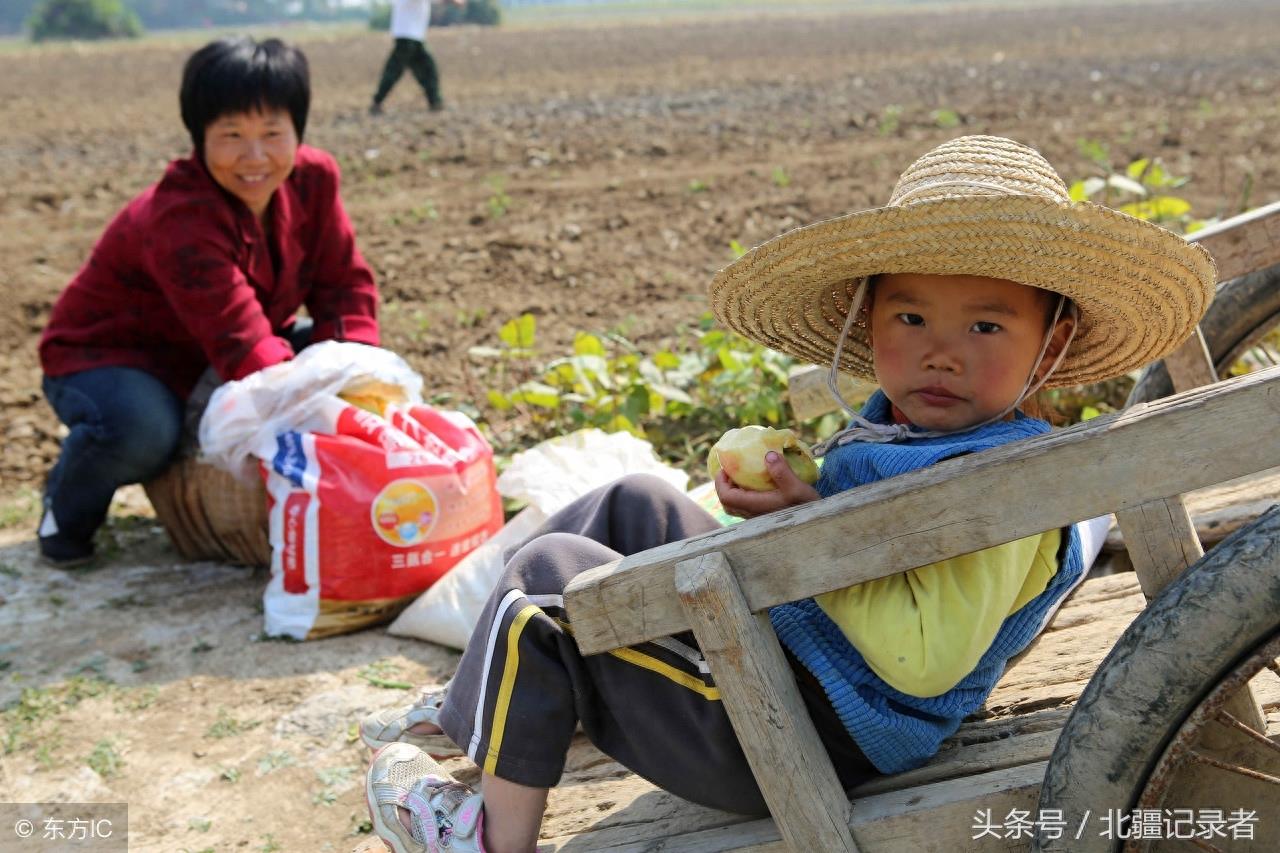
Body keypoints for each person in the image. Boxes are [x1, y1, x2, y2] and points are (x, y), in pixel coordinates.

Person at [359, 135, 1216, 853]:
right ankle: (491, 698)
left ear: (1053, 343)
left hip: (803, 731)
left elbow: (924, 657)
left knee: (547, 585)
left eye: (985, 325)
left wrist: (811, 530)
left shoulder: (1004, 484)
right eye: (911, 317)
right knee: (632, 502)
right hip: (801, 668)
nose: (941, 351)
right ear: (867, 318)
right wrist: (803, 505)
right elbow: (868, 539)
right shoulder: (908, 432)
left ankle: (484, 836)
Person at [36, 36, 379, 566]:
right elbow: (237, 335)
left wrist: (360, 386)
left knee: (344, 361)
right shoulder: (180, 214)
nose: (255, 157)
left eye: (272, 133)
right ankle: (64, 508)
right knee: (144, 433)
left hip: (215, 353)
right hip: (115, 359)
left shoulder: (313, 180)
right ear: (199, 139)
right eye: (232, 135)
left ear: (298, 131)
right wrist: (314, 405)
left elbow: (343, 287)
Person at [369, 0, 464, 116]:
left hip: (414, 37)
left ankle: (435, 102)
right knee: (394, 71)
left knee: (428, 70)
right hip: (406, 37)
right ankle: (377, 102)